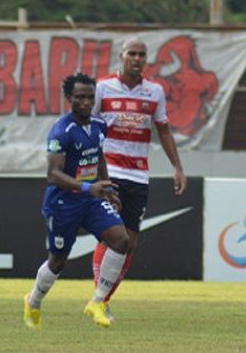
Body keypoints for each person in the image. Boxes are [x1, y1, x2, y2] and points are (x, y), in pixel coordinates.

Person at [90, 38, 187, 321]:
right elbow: (90, 129)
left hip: (138, 175)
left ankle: (102, 299)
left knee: (129, 243)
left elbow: (164, 131)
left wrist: (177, 167)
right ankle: (99, 300)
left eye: (142, 54)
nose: (136, 58)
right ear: (121, 56)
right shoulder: (102, 88)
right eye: (131, 53)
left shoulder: (154, 92)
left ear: (147, 59)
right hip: (110, 172)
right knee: (113, 237)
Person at [23, 72, 129, 329]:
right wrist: (86, 187)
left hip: (91, 199)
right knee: (58, 261)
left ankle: (97, 301)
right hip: (63, 202)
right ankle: (33, 301)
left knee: (121, 240)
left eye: (90, 97)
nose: (85, 102)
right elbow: (53, 174)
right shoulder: (62, 131)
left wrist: (108, 188)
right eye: (80, 97)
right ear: (69, 98)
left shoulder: (98, 125)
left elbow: (98, 156)